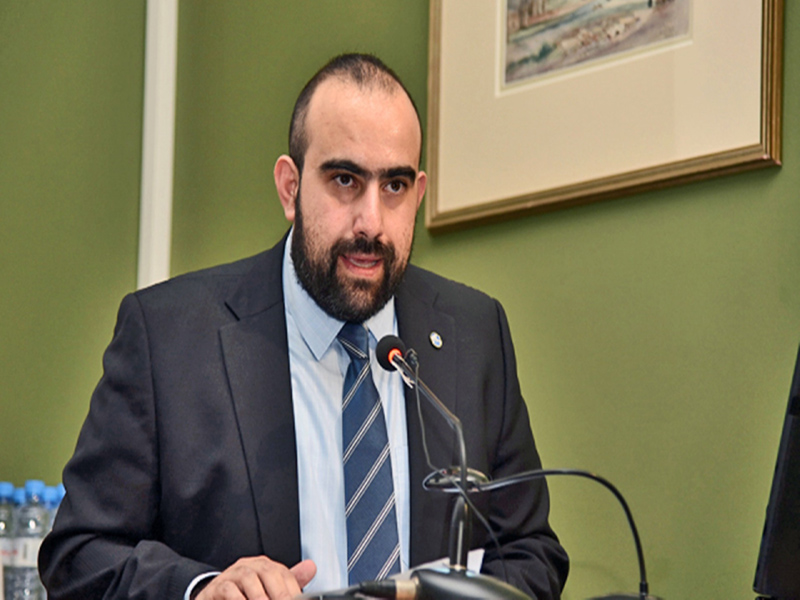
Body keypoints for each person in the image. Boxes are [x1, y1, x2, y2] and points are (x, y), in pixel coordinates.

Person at [39, 53, 569, 600]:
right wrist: (201, 590)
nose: (371, 223)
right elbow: (79, 556)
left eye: (394, 186)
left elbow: (530, 554)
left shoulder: (474, 334)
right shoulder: (169, 337)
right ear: (289, 188)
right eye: (345, 180)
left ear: (418, 193)